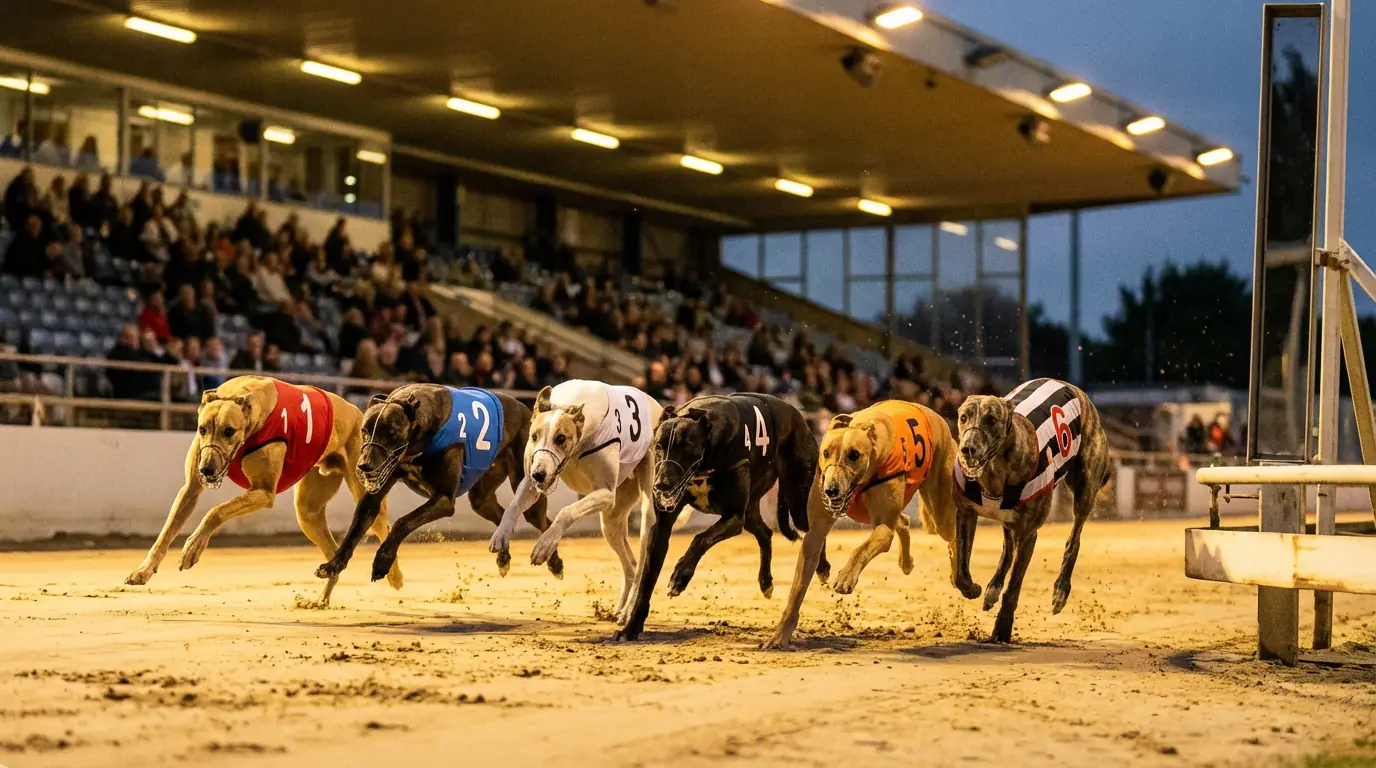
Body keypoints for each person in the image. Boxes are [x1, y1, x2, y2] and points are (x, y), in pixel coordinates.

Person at [106, 324, 154, 399]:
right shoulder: (117, 353)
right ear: (124, 338)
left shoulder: (142, 352)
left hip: (146, 391)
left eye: (137, 337)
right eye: (133, 337)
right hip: (128, 393)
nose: (136, 340)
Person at [3, 214, 50, 278]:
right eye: (39, 228)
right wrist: (43, 273)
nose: (40, 231)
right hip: (15, 278)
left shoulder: (24, 238)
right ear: (32, 227)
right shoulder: (25, 241)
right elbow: (29, 265)